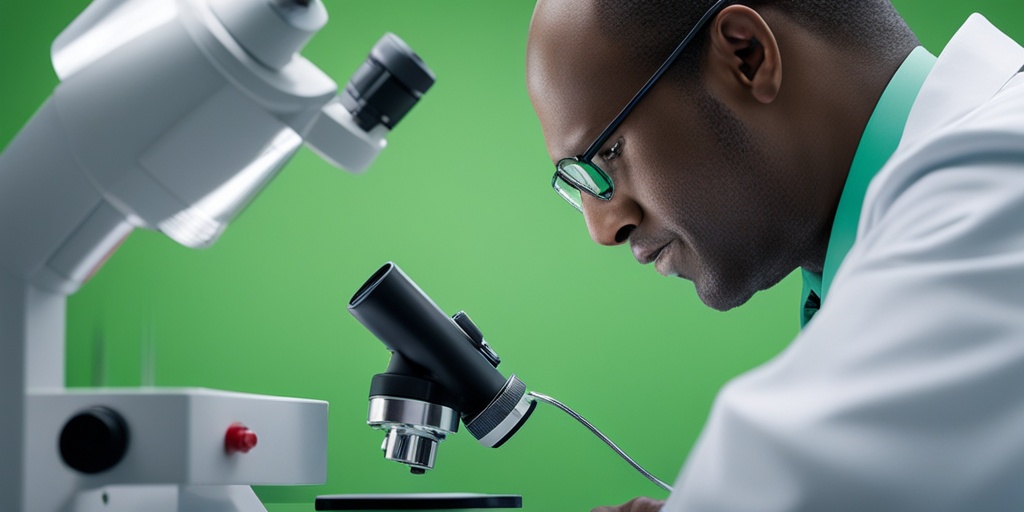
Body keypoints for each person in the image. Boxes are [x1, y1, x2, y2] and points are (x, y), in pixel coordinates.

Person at [525, 0, 1024, 510]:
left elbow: (790, 470)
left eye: (607, 152)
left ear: (747, 56)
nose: (603, 227)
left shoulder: (1005, 175)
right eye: (576, 182)